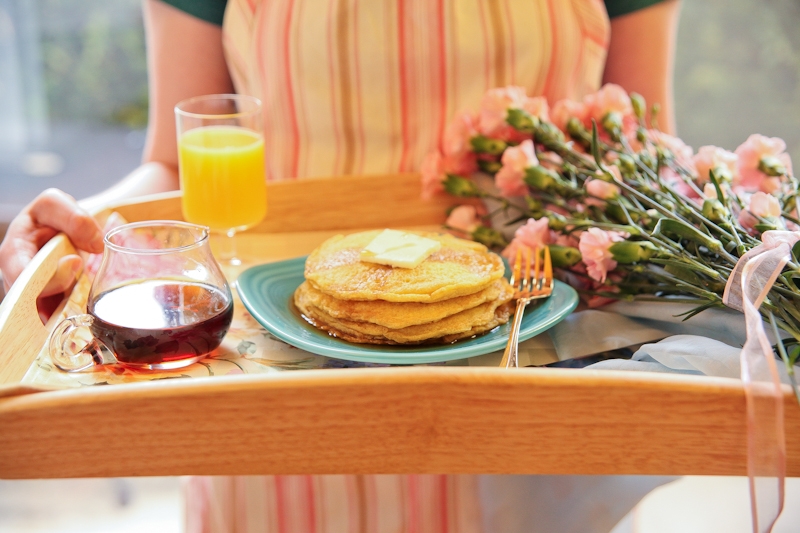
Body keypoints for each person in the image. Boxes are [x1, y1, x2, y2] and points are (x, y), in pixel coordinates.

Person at [0, 0, 682, 531]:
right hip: (282, 410)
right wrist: (80, 227)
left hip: (533, 389)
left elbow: (640, 150)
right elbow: (181, 161)